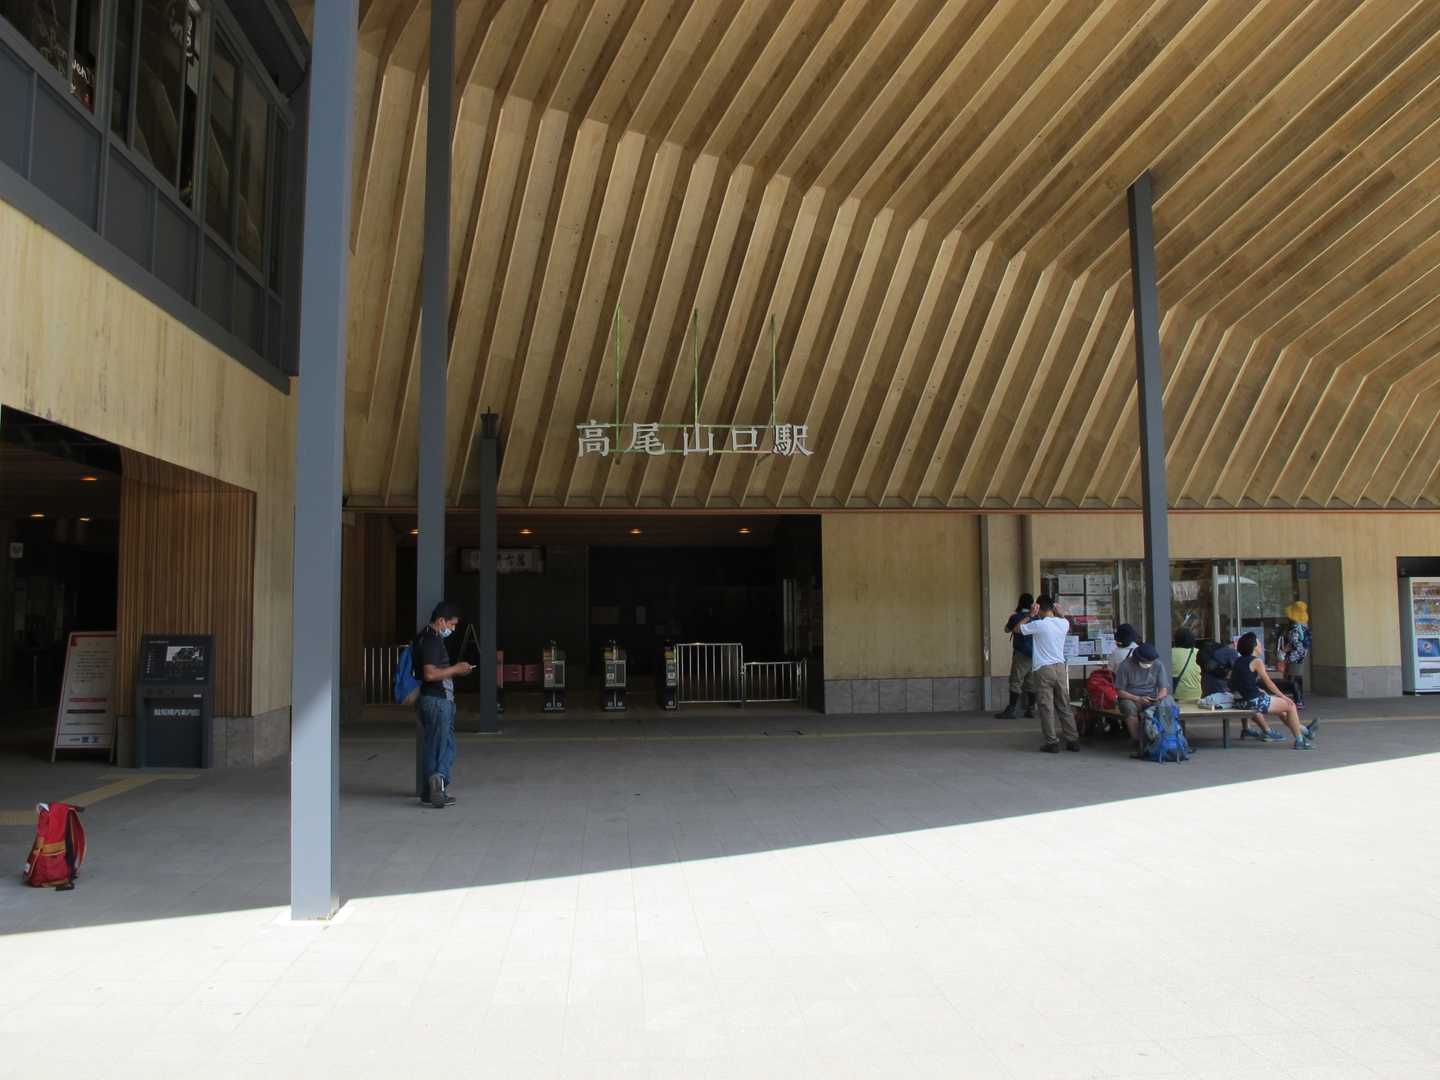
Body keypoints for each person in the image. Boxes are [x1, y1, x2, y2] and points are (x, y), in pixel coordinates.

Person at [414, 600, 475, 808]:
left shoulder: (422, 637)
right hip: (438, 701)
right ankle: (438, 782)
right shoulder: (432, 640)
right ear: (441, 621)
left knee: (432, 746)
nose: (453, 629)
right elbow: (430, 674)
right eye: (452, 624)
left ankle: (428, 792)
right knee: (445, 747)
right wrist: (457, 669)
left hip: (427, 700)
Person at [1011, 595, 1079, 753]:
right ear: (1053, 608)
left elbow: (1016, 629)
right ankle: (1073, 740)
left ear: (1038, 608)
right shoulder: (1063, 623)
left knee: (1046, 706)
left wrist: (1029, 615)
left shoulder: (1039, 624)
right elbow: (1065, 620)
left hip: (1043, 669)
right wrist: (1061, 613)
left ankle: (1052, 742)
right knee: (1064, 704)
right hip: (1060, 668)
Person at [1230, 632, 1315, 750]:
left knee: (1281, 711)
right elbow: (1268, 682)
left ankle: (1305, 731)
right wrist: (1283, 696)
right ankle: (1300, 740)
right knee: (1291, 706)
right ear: (1254, 647)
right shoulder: (1256, 661)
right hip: (1253, 701)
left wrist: (1259, 690)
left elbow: (1241, 682)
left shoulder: (1238, 661)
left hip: (1239, 702)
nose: (1261, 645)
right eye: (1258, 643)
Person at [1114, 643, 1169, 756]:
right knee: (1129, 707)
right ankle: (1138, 740)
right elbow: (1119, 691)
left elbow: (1163, 689)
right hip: (1131, 697)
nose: (1148, 664)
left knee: (1167, 703)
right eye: (1146, 662)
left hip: (1152, 697)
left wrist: (1157, 699)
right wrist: (1137, 699)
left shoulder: (1158, 665)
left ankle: (1165, 737)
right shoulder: (1125, 666)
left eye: (1150, 662)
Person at [996, 592, 1035, 719]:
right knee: (1031, 682)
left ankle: (1011, 709)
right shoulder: (1037, 618)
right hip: (1035, 654)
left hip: (1021, 654)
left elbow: (1006, 630)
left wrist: (1013, 618)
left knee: (1016, 681)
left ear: (1020, 603)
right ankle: (1031, 709)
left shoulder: (1016, 617)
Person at [1275, 601, 1311, 707]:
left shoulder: (1294, 628)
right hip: (1302, 655)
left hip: (1294, 656)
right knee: (1297, 678)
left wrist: (1283, 652)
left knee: (1292, 679)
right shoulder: (1304, 627)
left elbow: (1293, 643)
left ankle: (1298, 701)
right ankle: (1300, 699)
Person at [1171, 628, 1202, 703]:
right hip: (1198, 695)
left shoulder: (1169, 652)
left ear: (1175, 639)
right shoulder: (1199, 652)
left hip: (1176, 696)